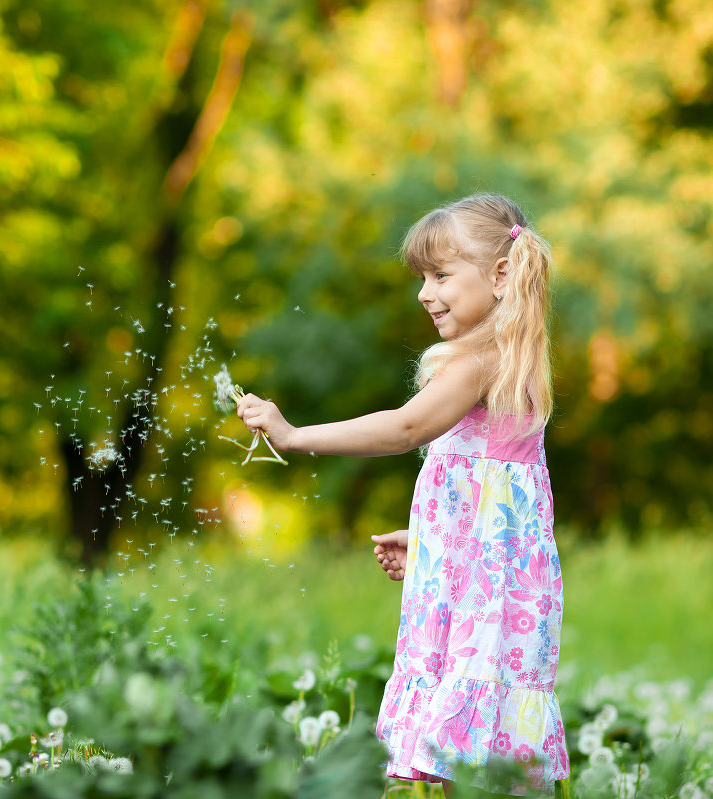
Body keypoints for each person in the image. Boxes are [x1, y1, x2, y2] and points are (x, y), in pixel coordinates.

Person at [235, 193, 569, 797]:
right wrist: (432, 542)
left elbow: (404, 430)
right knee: (481, 739)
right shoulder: (506, 359)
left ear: (499, 275)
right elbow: (499, 510)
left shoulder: (479, 360)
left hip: (489, 599)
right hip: (490, 583)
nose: (424, 292)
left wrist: (294, 435)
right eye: (422, 277)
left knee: (468, 725)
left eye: (441, 275)